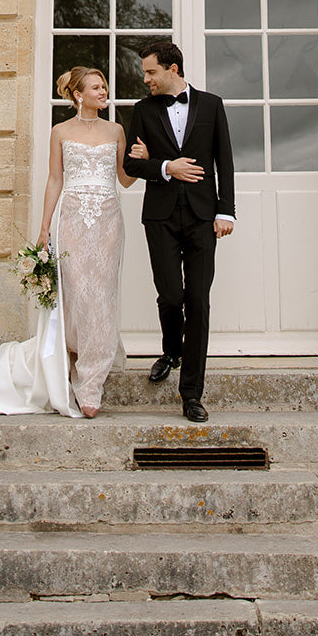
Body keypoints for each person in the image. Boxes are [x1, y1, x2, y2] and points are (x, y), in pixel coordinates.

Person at [0, 67, 144, 418]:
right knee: (75, 293)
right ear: (78, 95)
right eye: (97, 87)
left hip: (108, 221)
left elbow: (124, 180)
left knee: (101, 295)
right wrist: (44, 228)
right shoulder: (60, 132)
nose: (104, 92)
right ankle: (71, 359)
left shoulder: (116, 130)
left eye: (104, 87)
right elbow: (54, 180)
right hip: (71, 219)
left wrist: (140, 161)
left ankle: (92, 380)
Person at [122, 38, 235, 422]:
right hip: (160, 217)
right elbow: (131, 166)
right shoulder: (143, 110)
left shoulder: (212, 105)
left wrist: (226, 212)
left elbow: (224, 161)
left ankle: (191, 394)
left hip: (203, 217)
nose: (146, 79)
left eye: (151, 72)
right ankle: (171, 350)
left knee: (198, 301)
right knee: (171, 296)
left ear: (172, 69)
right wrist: (166, 166)